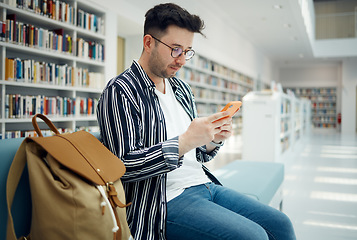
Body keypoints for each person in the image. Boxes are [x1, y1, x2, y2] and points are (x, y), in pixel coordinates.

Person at [97, 3, 296, 240]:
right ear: (148, 42)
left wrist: (211, 140)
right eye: (175, 49)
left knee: (280, 224)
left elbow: (198, 155)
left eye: (188, 51)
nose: (182, 60)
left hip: (204, 183)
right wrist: (184, 141)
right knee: (253, 236)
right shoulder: (121, 91)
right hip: (162, 200)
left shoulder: (181, 88)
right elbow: (124, 165)